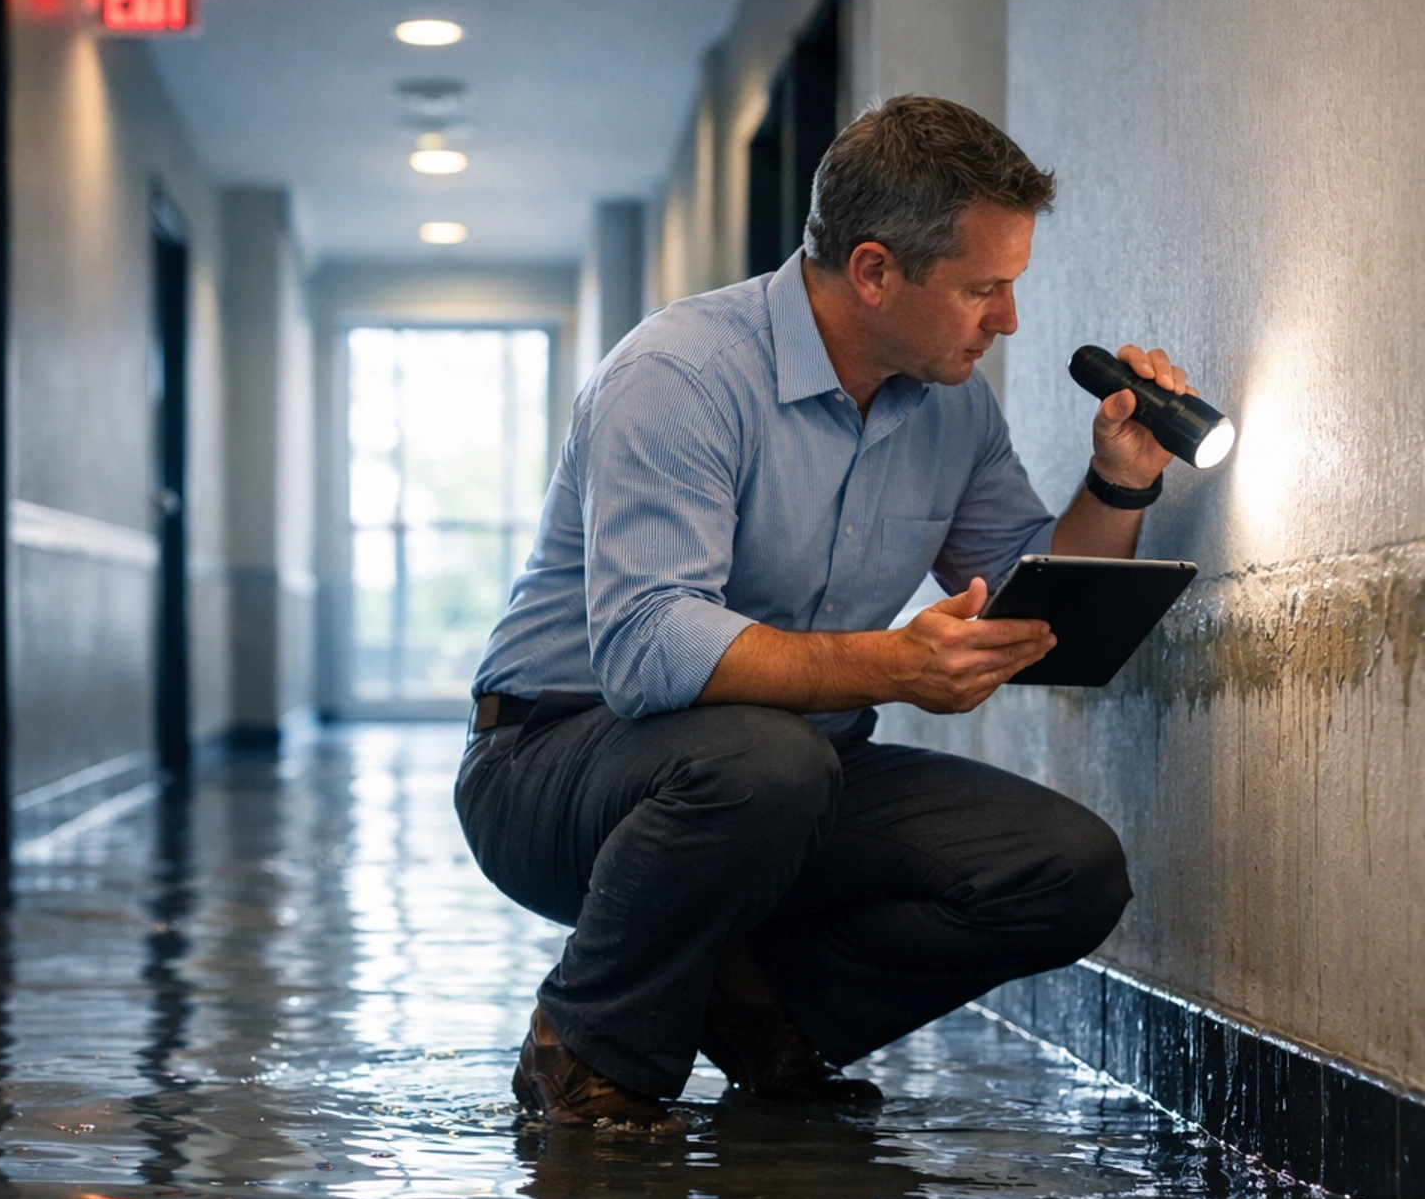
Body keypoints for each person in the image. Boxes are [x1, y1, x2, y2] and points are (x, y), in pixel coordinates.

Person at [456, 96, 1191, 1130]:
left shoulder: (952, 406)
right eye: (984, 289)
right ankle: (587, 1052)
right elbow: (646, 649)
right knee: (767, 764)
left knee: (1066, 871)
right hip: (554, 764)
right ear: (876, 270)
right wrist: (890, 667)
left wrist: (1120, 483)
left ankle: (758, 1006)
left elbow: (1033, 601)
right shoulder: (680, 375)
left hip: (785, 780)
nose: (1008, 321)